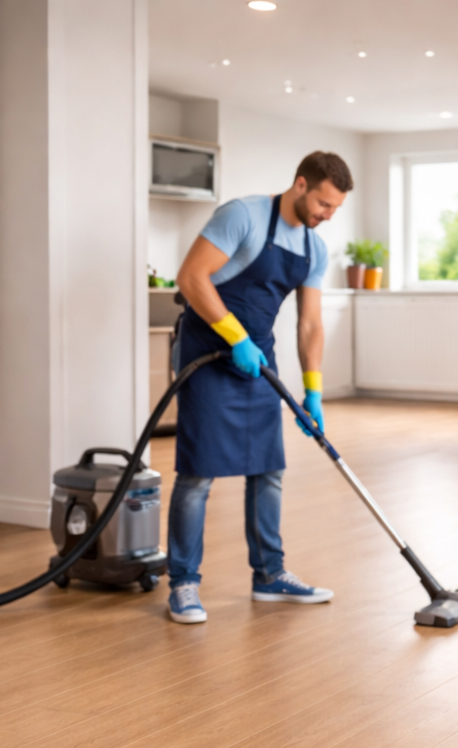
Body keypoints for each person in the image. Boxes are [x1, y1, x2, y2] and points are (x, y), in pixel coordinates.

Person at [167, 151, 351, 624]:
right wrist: (236, 337)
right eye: (324, 205)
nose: (327, 216)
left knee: (268, 469)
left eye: (335, 210)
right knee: (197, 473)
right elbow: (190, 278)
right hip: (208, 354)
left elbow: (310, 324)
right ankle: (184, 583)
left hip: (257, 363)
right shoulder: (243, 215)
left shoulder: (314, 248)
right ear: (300, 184)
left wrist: (313, 390)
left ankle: (269, 575)